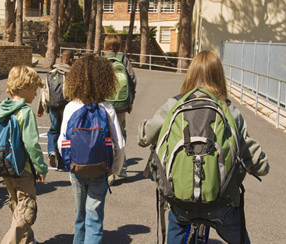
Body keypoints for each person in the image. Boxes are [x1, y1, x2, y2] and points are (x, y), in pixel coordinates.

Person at [137, 50, 270, 244]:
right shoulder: (228, 108)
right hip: (221, 203)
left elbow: (144, 137)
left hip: (180, 202)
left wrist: (144, 128)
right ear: (219, 77)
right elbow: (255, 158)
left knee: (177, 221)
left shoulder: (175, 103)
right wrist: (259, 166)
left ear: (190, 74)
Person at [58, 54, 125, 244]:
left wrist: (69, 166)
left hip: (76, 170)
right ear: (105, 80)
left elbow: (62, 141)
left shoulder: (71, 107)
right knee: (94, 217)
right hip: (100, 169)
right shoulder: (107, 108)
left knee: (79, 215)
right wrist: (115, 170)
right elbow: (119, 144)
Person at [0, 65, 48, 244]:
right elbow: (32, 145)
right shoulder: (25, 112)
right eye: (33, 89)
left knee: (18, 207)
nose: (35, 94)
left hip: (5, 165)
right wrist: (41, 167)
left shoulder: (3, 107)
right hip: (23, 168)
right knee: (26, 211)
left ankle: (28, 241)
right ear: (24, 87)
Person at [103, 34, 137, 183]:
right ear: (119, 46)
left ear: (105, 46)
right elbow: (133, 80)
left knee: (105, 136)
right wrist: (130, 100)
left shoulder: (102, 60)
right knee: (120, 135)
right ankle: (121, 168)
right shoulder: (124, 59)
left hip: (104, 104)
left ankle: (108, 171)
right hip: (121, 104)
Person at [37, 50, 74, 171]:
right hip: (66, 107)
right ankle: (64, 162)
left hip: (52, 106)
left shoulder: (50, 73)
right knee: (66, 133)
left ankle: (52, 151)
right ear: (71, 60)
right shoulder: (71, 74)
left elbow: (44, 91)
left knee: (53, 131)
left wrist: (40, 109)